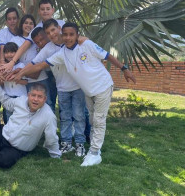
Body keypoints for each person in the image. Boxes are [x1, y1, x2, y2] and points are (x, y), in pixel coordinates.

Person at [23, 22, 136, 166]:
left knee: (98, 120)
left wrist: (124, 68)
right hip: (88, 91)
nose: (68, 38)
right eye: (66, 35)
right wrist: (19, 73)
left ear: (78, 35)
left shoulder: (86, 45)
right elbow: (39, 65)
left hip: (103, 86)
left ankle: (94, 153)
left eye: (72, 34)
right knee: (92, 120)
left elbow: (107, 55)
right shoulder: (62, 54)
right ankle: (95, 148)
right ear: (62, 35)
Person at [14, 19, 87, 157]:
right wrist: (20, 73)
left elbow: (86, 47)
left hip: (78, 86)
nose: (52, 34)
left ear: (59, 28)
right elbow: (34, 64)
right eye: (48, 32)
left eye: (53, 30)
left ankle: (80, 143)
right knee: (65, 116)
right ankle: (66, 143)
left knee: (78, 115)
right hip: (62, 88)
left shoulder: (71, 42)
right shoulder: (48, 49)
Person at [9, 16, 52, 108]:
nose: (28, 25)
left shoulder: (39, 40)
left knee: (47, 104)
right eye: (26, 23)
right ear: (21, 24)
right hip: (25, 80)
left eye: (31, 23)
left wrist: (20, 72)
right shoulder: (14, 40)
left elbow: (38, 67)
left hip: (41, 78)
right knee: (29, 107)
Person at [1, 42, 28, 123]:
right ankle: (9, 135)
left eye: (12, 52)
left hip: (21, 97)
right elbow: (1, 81)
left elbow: (26, 82)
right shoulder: (3, 67)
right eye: (6, 52)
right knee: (9, 119)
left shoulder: (21, 65)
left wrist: (16, 79)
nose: (9, 55)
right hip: (8, 97)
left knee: (22, 118)